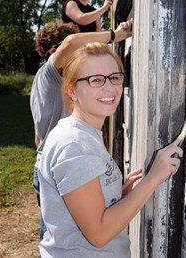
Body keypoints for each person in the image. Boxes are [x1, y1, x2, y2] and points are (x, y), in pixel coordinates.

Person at [38, 42, 183, 257]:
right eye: (95, 80)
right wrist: (153, 178)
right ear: (72, 91)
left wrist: (114, 196)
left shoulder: (85, 133)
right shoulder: (74, 144)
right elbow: (99, 234)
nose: (110, 88)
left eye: (114, 77)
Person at [30, 18, 133, 245]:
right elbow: (71, 42)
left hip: (48, 161)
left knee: (57, 228)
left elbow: (38, 134)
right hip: (65, 163)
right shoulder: (51, 73)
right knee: (64, 238)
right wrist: (116, 35)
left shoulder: (41, 80)